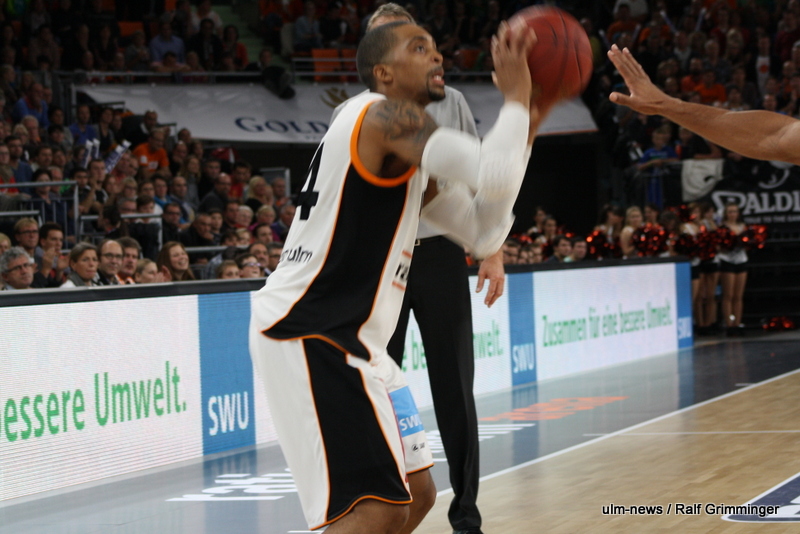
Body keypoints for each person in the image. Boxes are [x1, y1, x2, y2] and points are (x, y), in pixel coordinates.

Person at [250, 17, 539, 533]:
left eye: (436, 46)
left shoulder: (407, 151)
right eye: (419, 48)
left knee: (418, 495)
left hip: (360, 341)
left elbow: (483, 232)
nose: (438, 56)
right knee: (377, 509)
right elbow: (491, 172)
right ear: (383, 73)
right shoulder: (383, 115)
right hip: (314, 328)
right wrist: (516, 102)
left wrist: (525, 128)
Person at [717, 202, 748, 335]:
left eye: (735, 211)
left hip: (741, 260)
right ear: (726, 214)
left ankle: (737, 323)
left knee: (738, 295)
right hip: (727, 260)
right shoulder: (722, 228)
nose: (733, 214)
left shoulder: (742, 227)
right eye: (730, 211)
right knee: (728, 295)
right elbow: (718, 246)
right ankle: (729, 324)